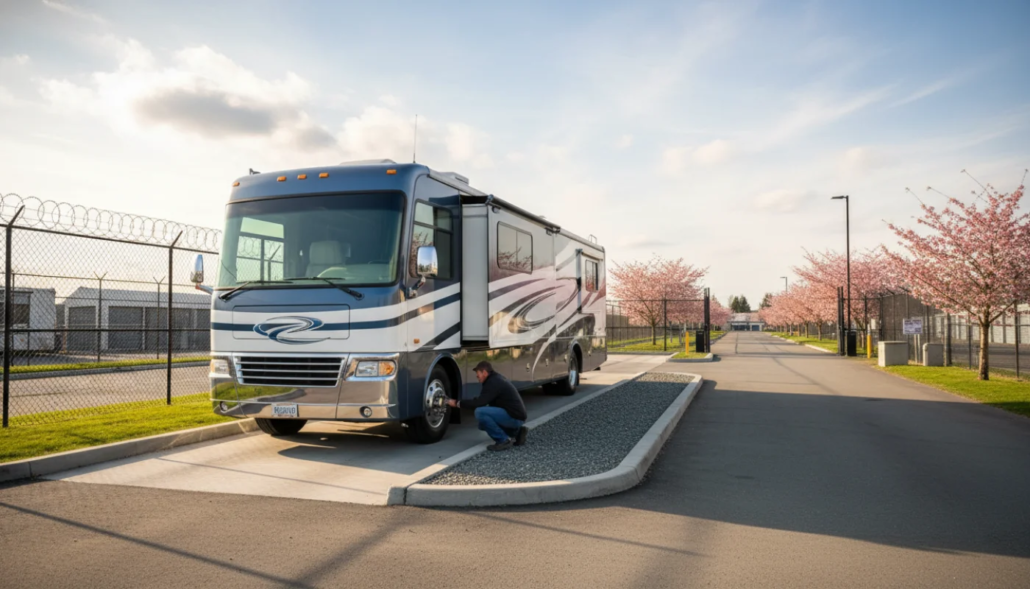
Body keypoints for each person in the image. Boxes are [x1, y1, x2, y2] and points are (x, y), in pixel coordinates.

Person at [447, 361, 528, 451]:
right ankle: (517, 432)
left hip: (515, 418)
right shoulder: (495, 379)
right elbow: (483, 400)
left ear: (484, 372)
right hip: (516, 416)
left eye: (478, 374)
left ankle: (503, 440)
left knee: (480, 412)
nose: (477, 377)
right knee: (482, 424)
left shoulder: (493, 382)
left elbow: (479, 403)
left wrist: (457, 403)